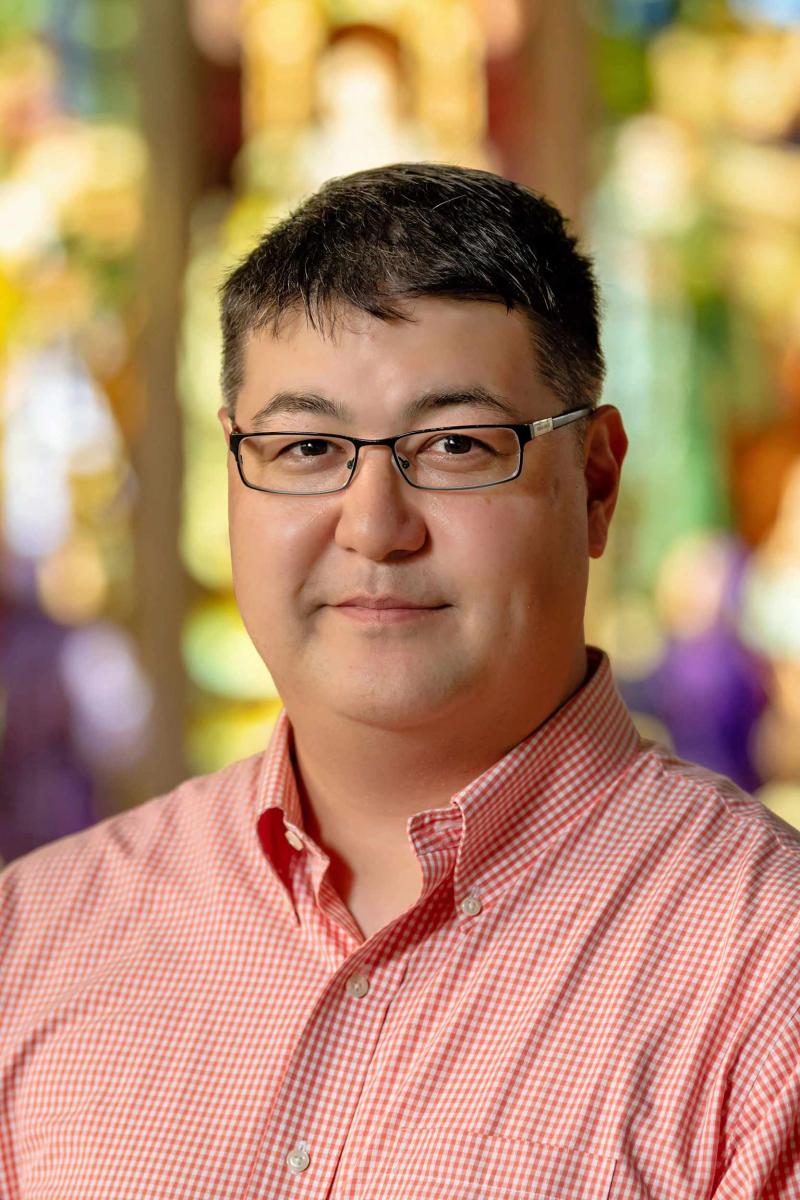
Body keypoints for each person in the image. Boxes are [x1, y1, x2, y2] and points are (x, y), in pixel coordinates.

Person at [1, 162, 799, 1200]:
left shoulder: (765, 973)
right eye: (305, 447)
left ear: (596, 481)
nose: (374, 527)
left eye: (457, 444)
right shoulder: (35, 939)